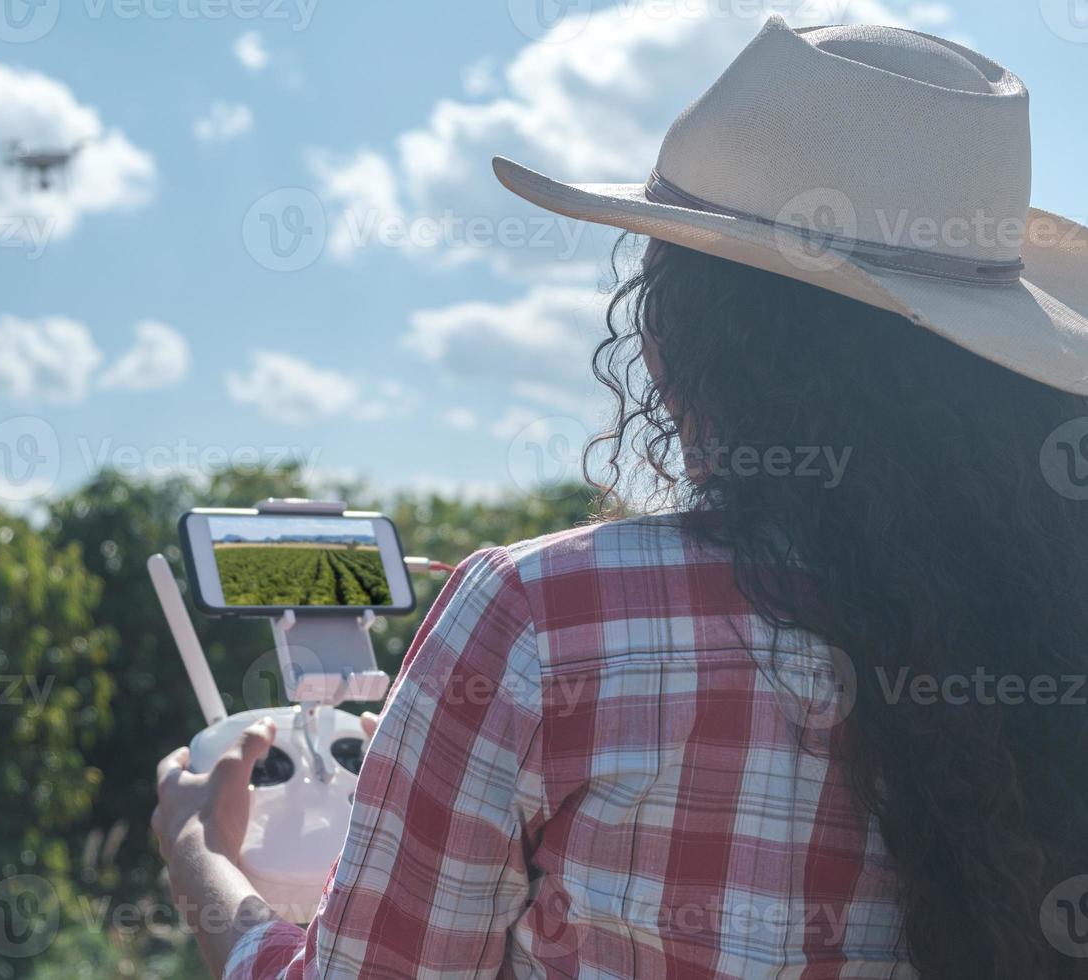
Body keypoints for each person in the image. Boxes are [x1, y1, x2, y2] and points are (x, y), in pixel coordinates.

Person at [154, 17, 1088, 978]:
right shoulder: (1053, 629)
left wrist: (204, 866)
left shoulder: (540, 621)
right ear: (999, 374)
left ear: (674, 346)